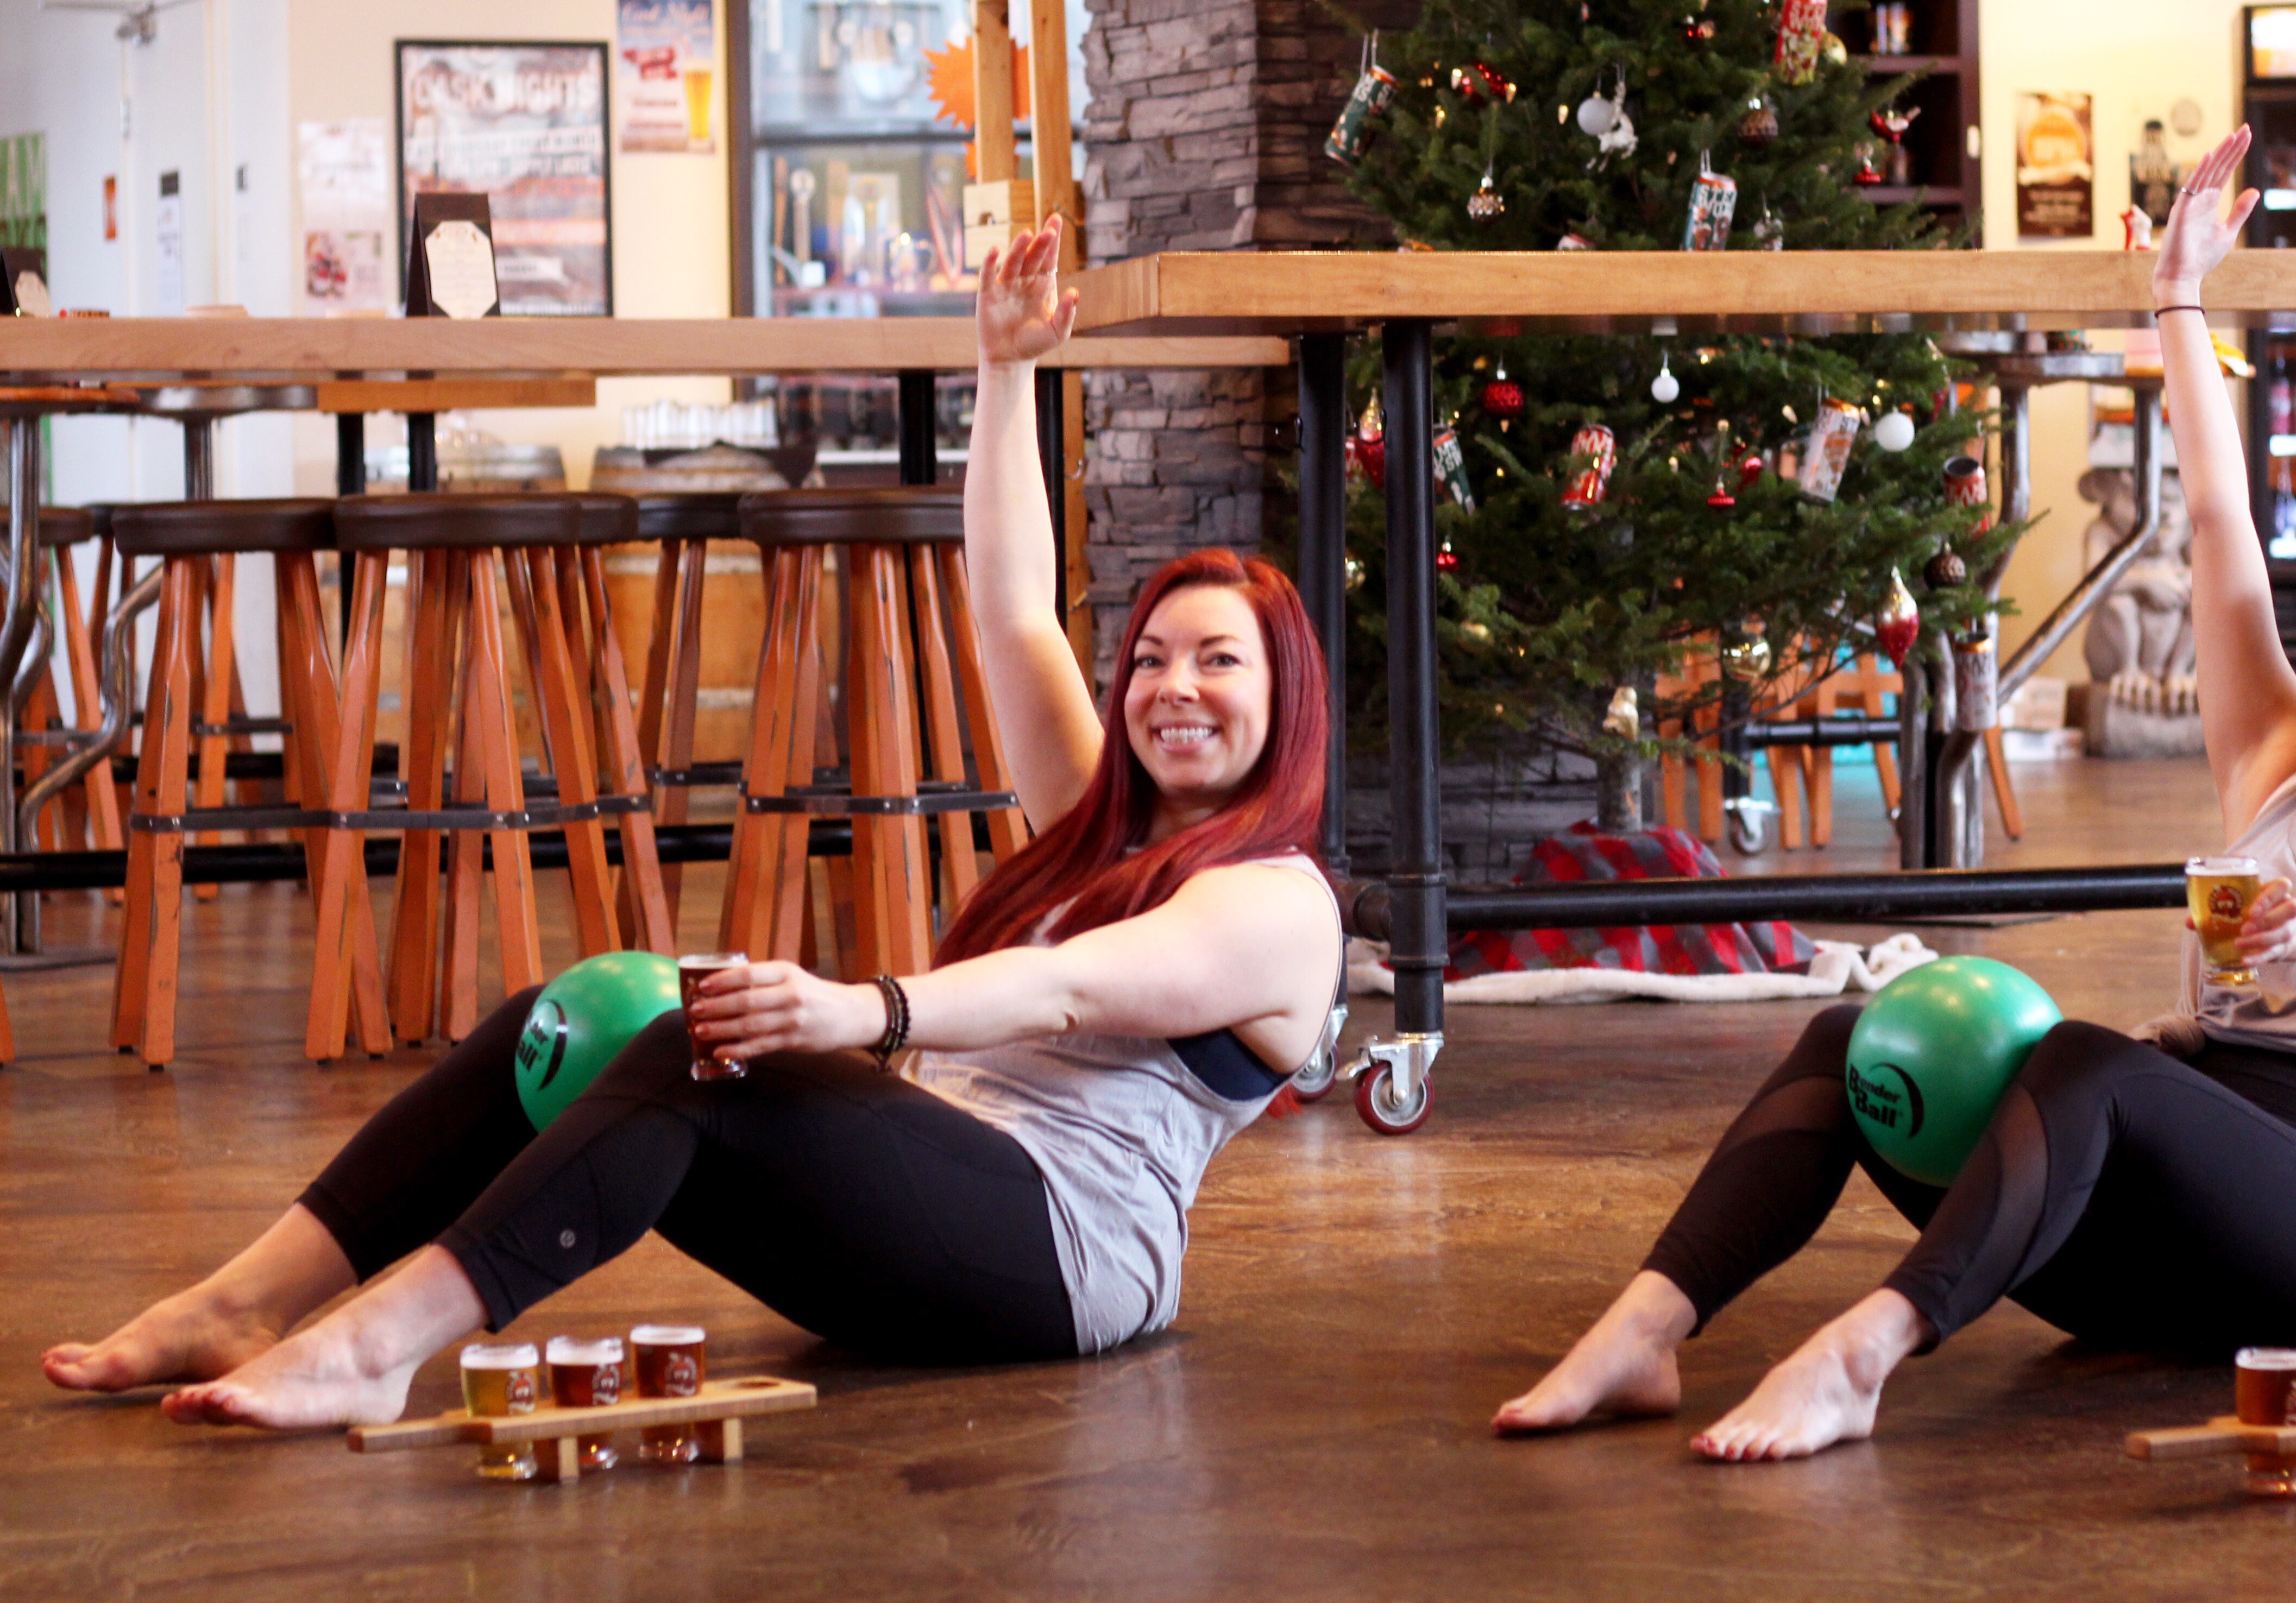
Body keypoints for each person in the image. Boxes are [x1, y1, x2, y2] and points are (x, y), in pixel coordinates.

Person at [42, 217, 1344, 1429]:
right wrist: (1001, 374)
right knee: (566, 1018)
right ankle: (245, 1303)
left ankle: (376, 1350)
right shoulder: (1097, 819)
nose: (1176, 688)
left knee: (695, 1047)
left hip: (1061, 1257)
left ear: (1286, 696)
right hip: (927, 1206)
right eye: (1155, 659)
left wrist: (860, 1011)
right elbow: (1009, 611)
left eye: (1221, 663)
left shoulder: (1280, 904)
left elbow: (1067, 988)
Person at [1493, 126, 2296, 1462]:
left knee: (2088, 1062)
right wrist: (2178, 303)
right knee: (1868, 1038)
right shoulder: (2283, 771)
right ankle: (1650, 1329)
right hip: (2158, 1239)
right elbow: (2222, 535)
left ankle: (1863, 1354)